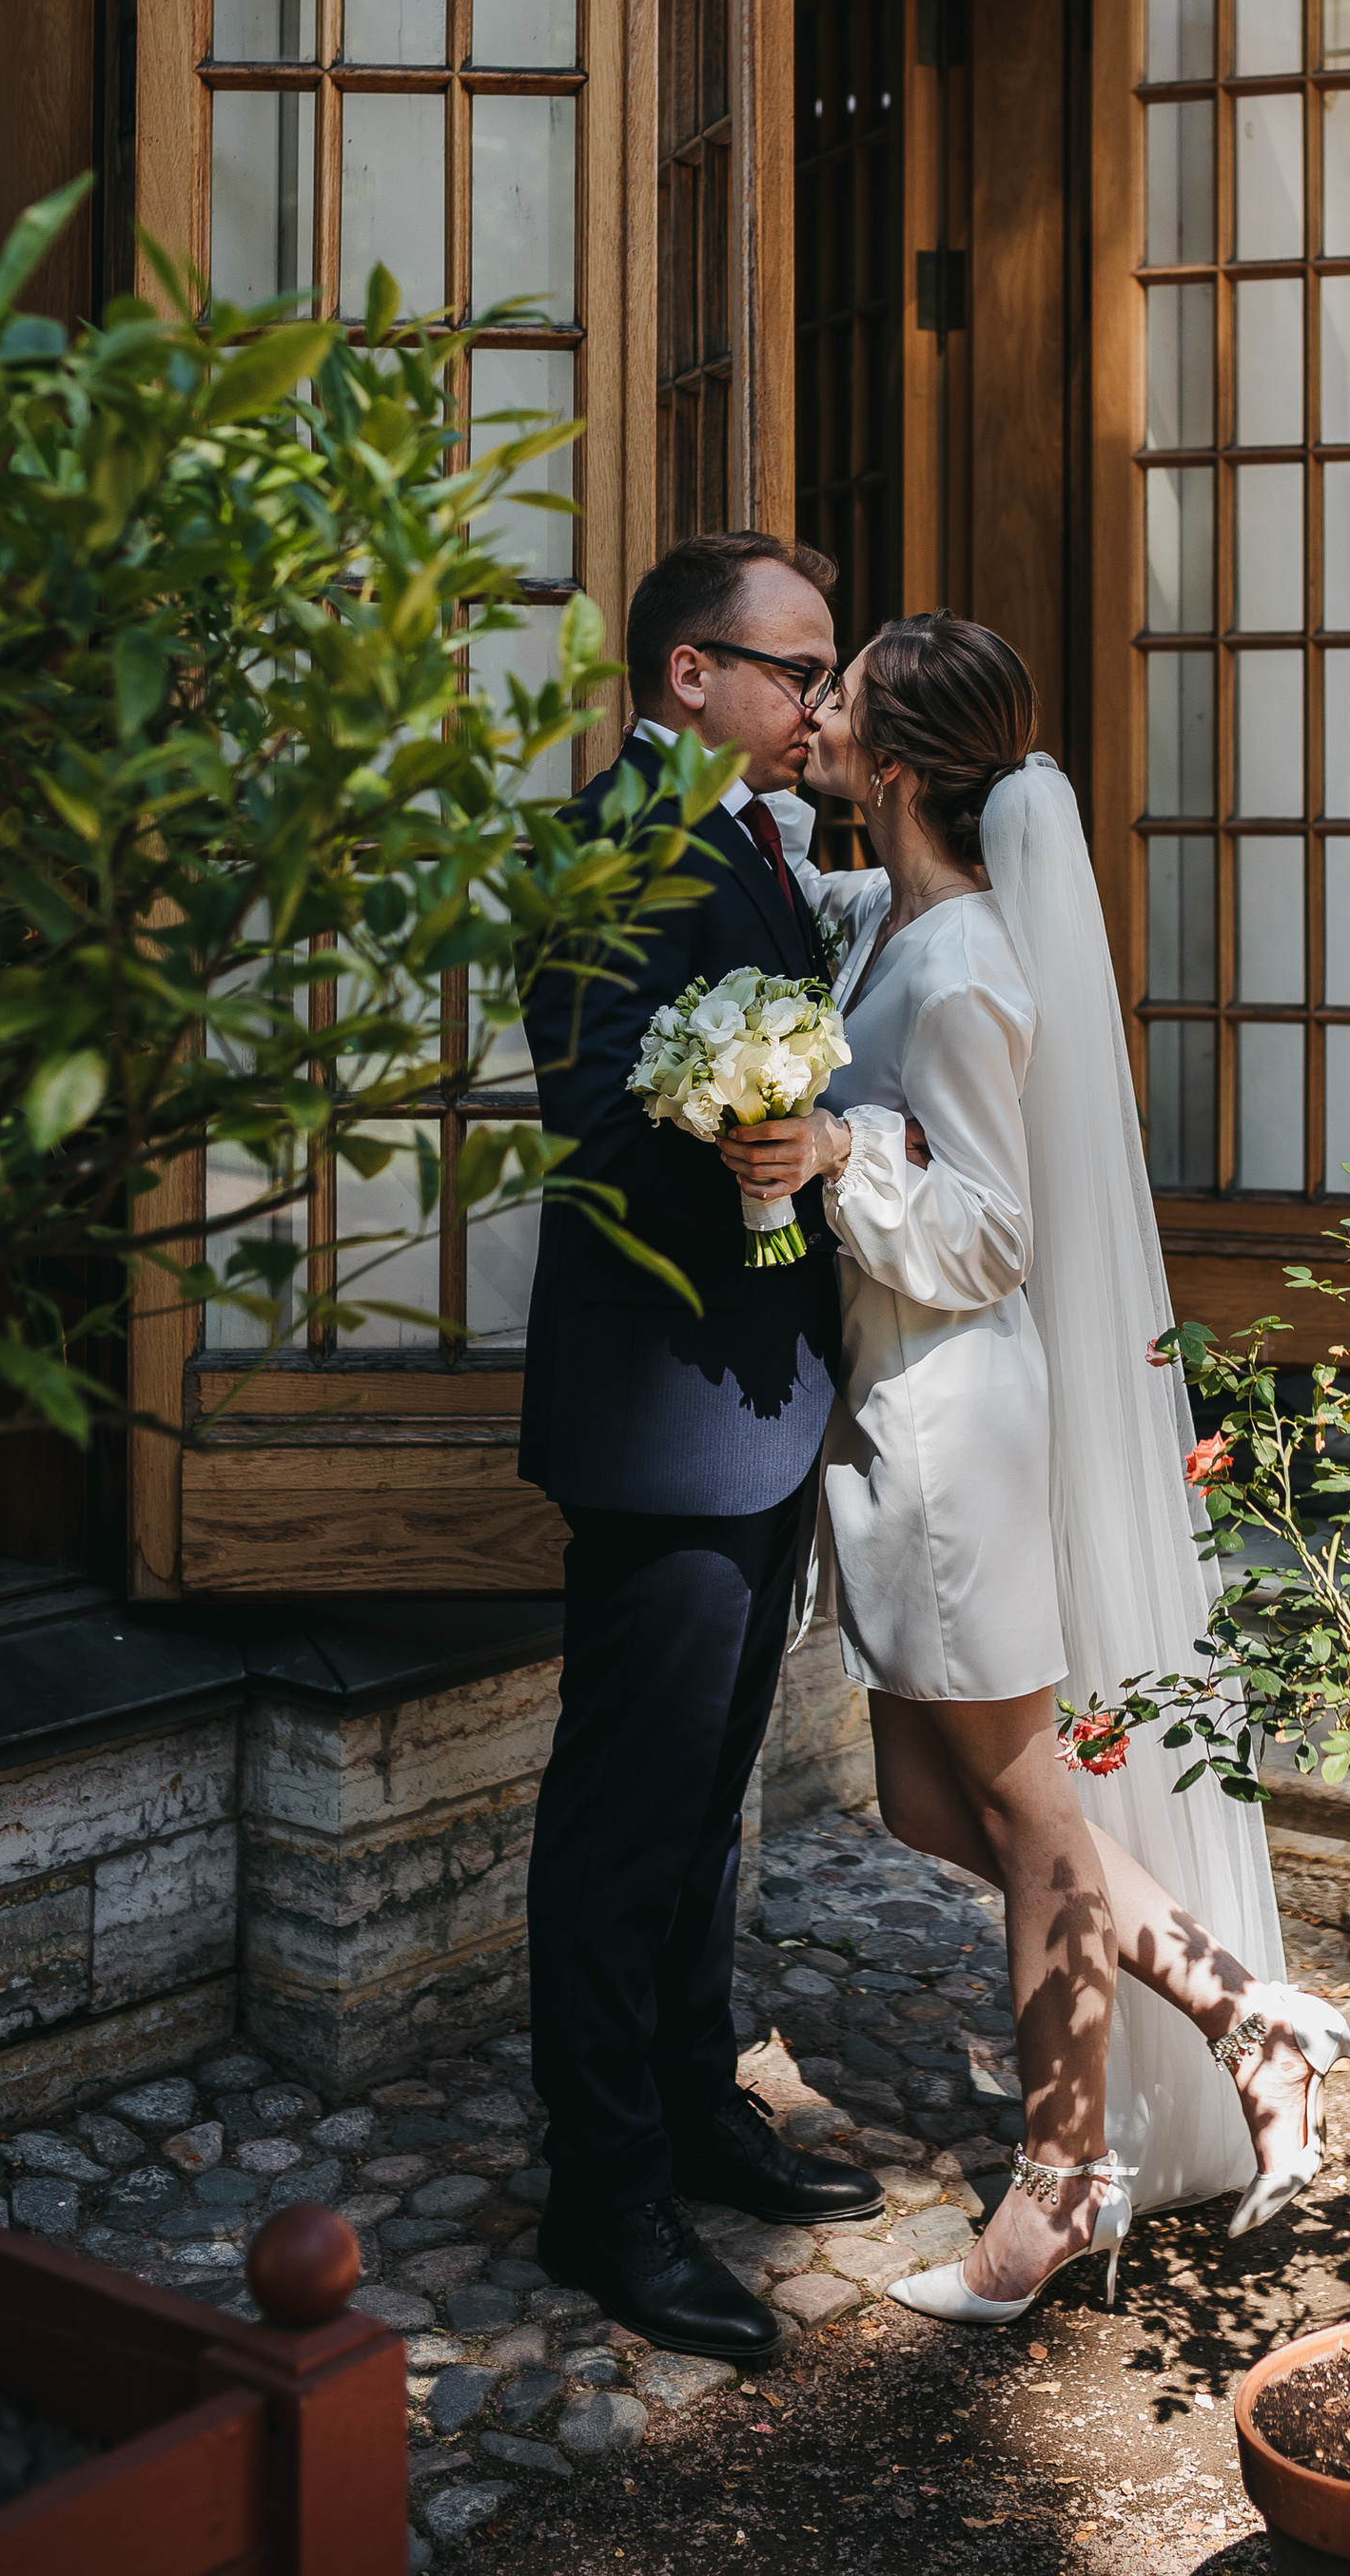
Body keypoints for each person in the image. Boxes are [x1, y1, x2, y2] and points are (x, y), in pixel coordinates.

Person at [720, 614, 1350, 2326]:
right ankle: (1247, 2012)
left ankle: (1060, 2190)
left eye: (842, 693)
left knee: (1025, 1825)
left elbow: (995, 1229)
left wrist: (845, 1150)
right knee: (937, 1804)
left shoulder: (962, 972)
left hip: (952, 1438)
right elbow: (817, 886)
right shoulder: (911, 928)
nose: (817, 707)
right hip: (901, 1429)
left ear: (904, 766)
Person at [518, 532, 886, 2363]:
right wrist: (731, 1124)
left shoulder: (750, 833)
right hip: (660, 1408)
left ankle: (690, 2097)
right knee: (625, 1817)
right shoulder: (605, 840)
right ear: (688, 673)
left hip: (755, 1398)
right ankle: (603, 2190)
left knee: (713, 1792)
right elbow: (587, 1105)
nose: (821, 700)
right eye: (798, 668)